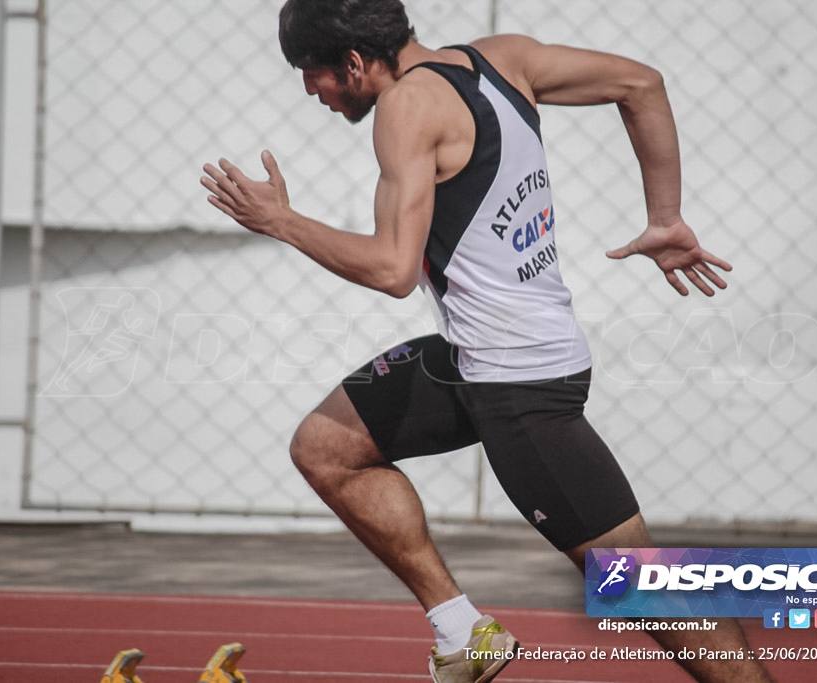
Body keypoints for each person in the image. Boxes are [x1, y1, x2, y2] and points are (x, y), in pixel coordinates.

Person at [202, 1, 773, 681]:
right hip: (479, 361)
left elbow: (392, 269)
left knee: (646, 588)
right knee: (327, 448)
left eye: (311, 73)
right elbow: (640, 83)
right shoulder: (501, 58)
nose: (309, 91)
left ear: (353, 63)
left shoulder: (406, 109)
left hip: (519, 390)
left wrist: (281, 221)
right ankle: (462, 629)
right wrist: (666, 215)